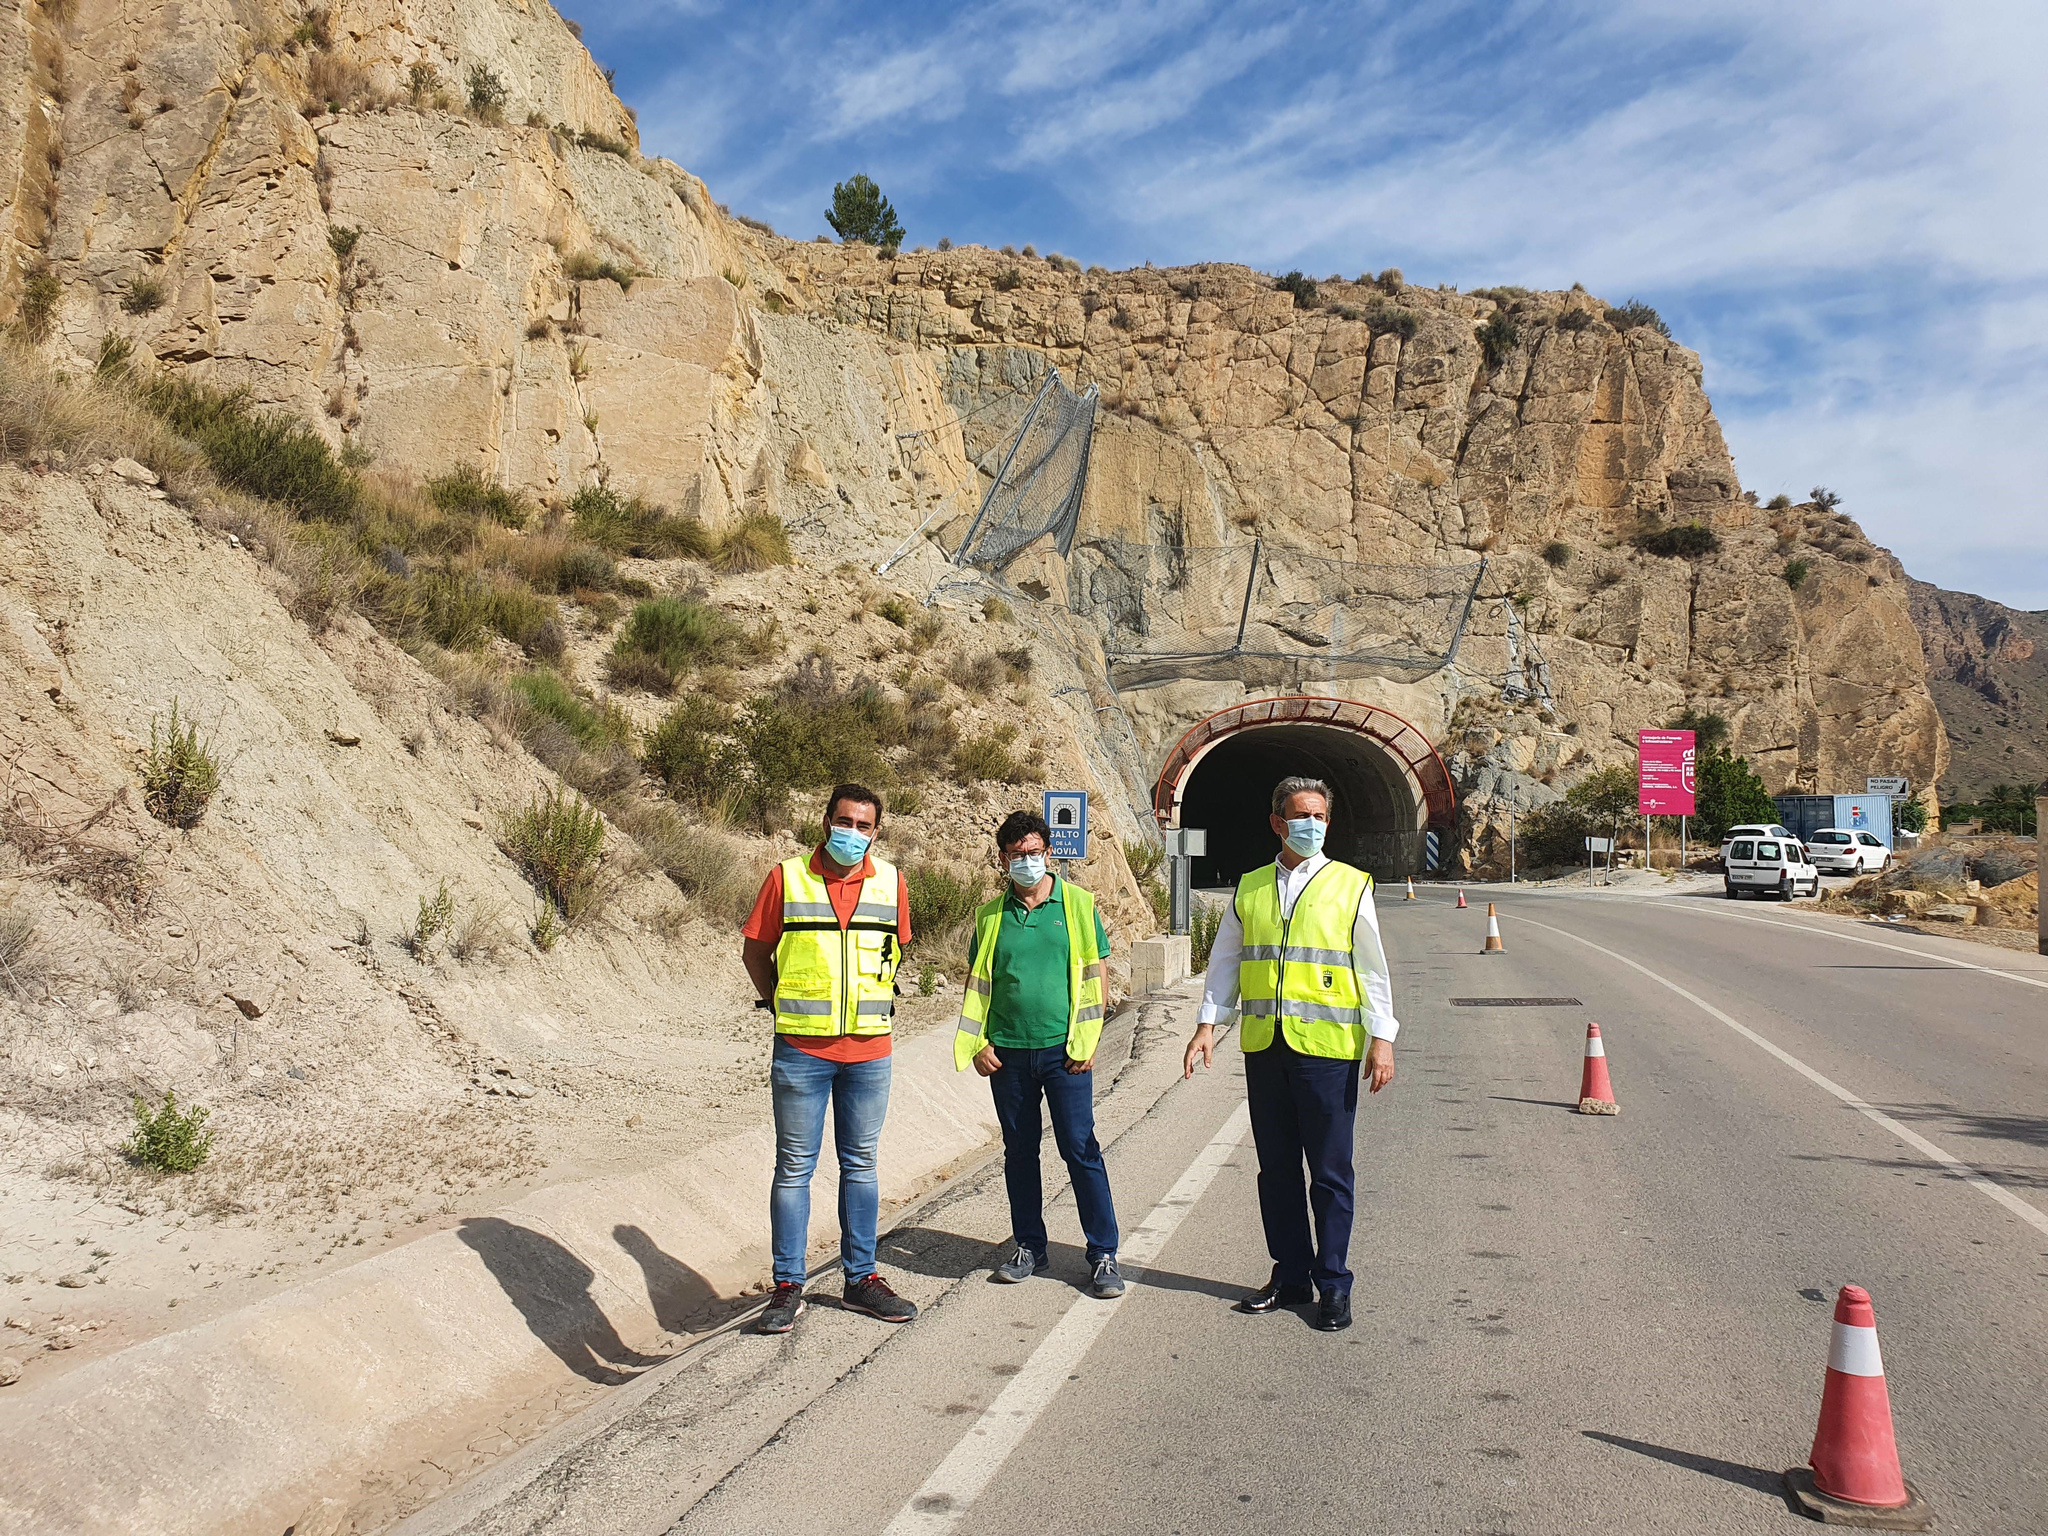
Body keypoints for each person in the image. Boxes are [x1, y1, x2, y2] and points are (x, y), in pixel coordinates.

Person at [1182, 775, 1398, 1332]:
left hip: (1326, 1051)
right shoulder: (1251, 887)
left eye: (1321, 816)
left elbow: (1372, 968)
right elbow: (1226, 961)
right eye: (1302, 816)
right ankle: (1291, 1274)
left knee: (1329, 1172)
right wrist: (1208, 1025)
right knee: (1275, 1170)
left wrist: (1383, 1038)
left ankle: (1333, 1284)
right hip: (1265, 1047)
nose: (1313, 825)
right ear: (1278, 823)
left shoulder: (1351, 885)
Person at [741, 783, 919, 1334]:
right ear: (826, 823)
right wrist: (780, 1004)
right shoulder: (787, 878)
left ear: (877, 831)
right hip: (801, 1050)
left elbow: (897, 948)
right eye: (846, 822)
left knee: (860, 1165)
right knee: (794, 1168)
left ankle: (860, 1279)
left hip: (869, 1050)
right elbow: (755, 951)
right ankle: (788, 1285)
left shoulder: (892, 882)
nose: (855, 834)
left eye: (865, 826)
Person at [953, 809, 1122, 1299]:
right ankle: (1030, 1245)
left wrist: (1088, 1042)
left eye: (1034, 852)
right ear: (1003, 859)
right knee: (1020, 1153)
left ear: (1048, 852)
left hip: (1065, 1053)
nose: (1027, 861)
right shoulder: (990, 915)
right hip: (1007, 1055)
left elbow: (1097, 972)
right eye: (1016, 854)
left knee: (1080, 1148)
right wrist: (978, 1043)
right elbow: (979, 981)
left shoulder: (1078, 904)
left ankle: (1103, 1253)